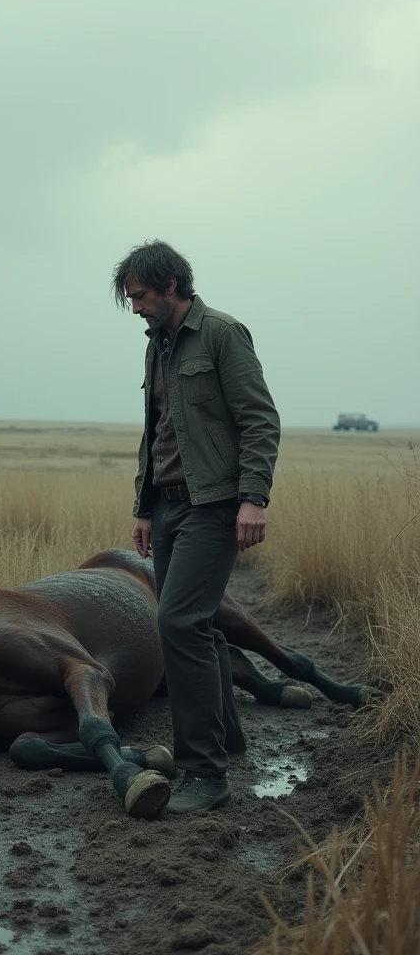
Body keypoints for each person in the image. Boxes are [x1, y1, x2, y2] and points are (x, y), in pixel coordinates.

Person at [112, 240, 280, 814]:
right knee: (199, 627)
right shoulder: (156, 346)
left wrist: (253, 498)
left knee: (179, 621)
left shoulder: (222, 334)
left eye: (139, 296)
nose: (134, 307)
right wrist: (143, 507)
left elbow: (260, 419)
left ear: (173, 285)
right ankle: (229, 739)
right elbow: (154, 431)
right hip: (166, 508)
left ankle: (206, 774)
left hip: (214, 505)